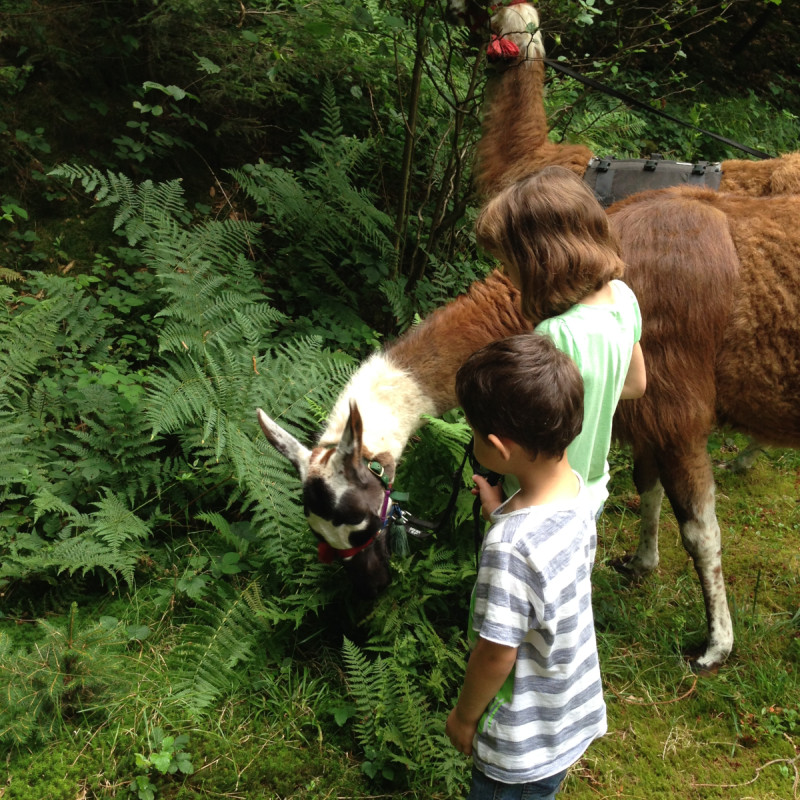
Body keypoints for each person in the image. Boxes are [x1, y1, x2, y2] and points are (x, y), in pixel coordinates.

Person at [446, 333, 606, 800]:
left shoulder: (511, 548)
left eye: (474, 432)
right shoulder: (577, 491)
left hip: (520, 746)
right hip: (566, 711)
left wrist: (464, 717)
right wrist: (500, 512)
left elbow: (496, 653)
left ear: (498, 447)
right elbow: (546, 569)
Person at [474, 165, 647, 517]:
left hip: (539, 503)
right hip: (590, 491)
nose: (506, 274)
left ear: (540, 261)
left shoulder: (556, 336)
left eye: (508, 263)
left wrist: (499, 510)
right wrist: (597, 396)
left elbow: (528, 445)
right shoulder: (623, 298)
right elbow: (636, 384)